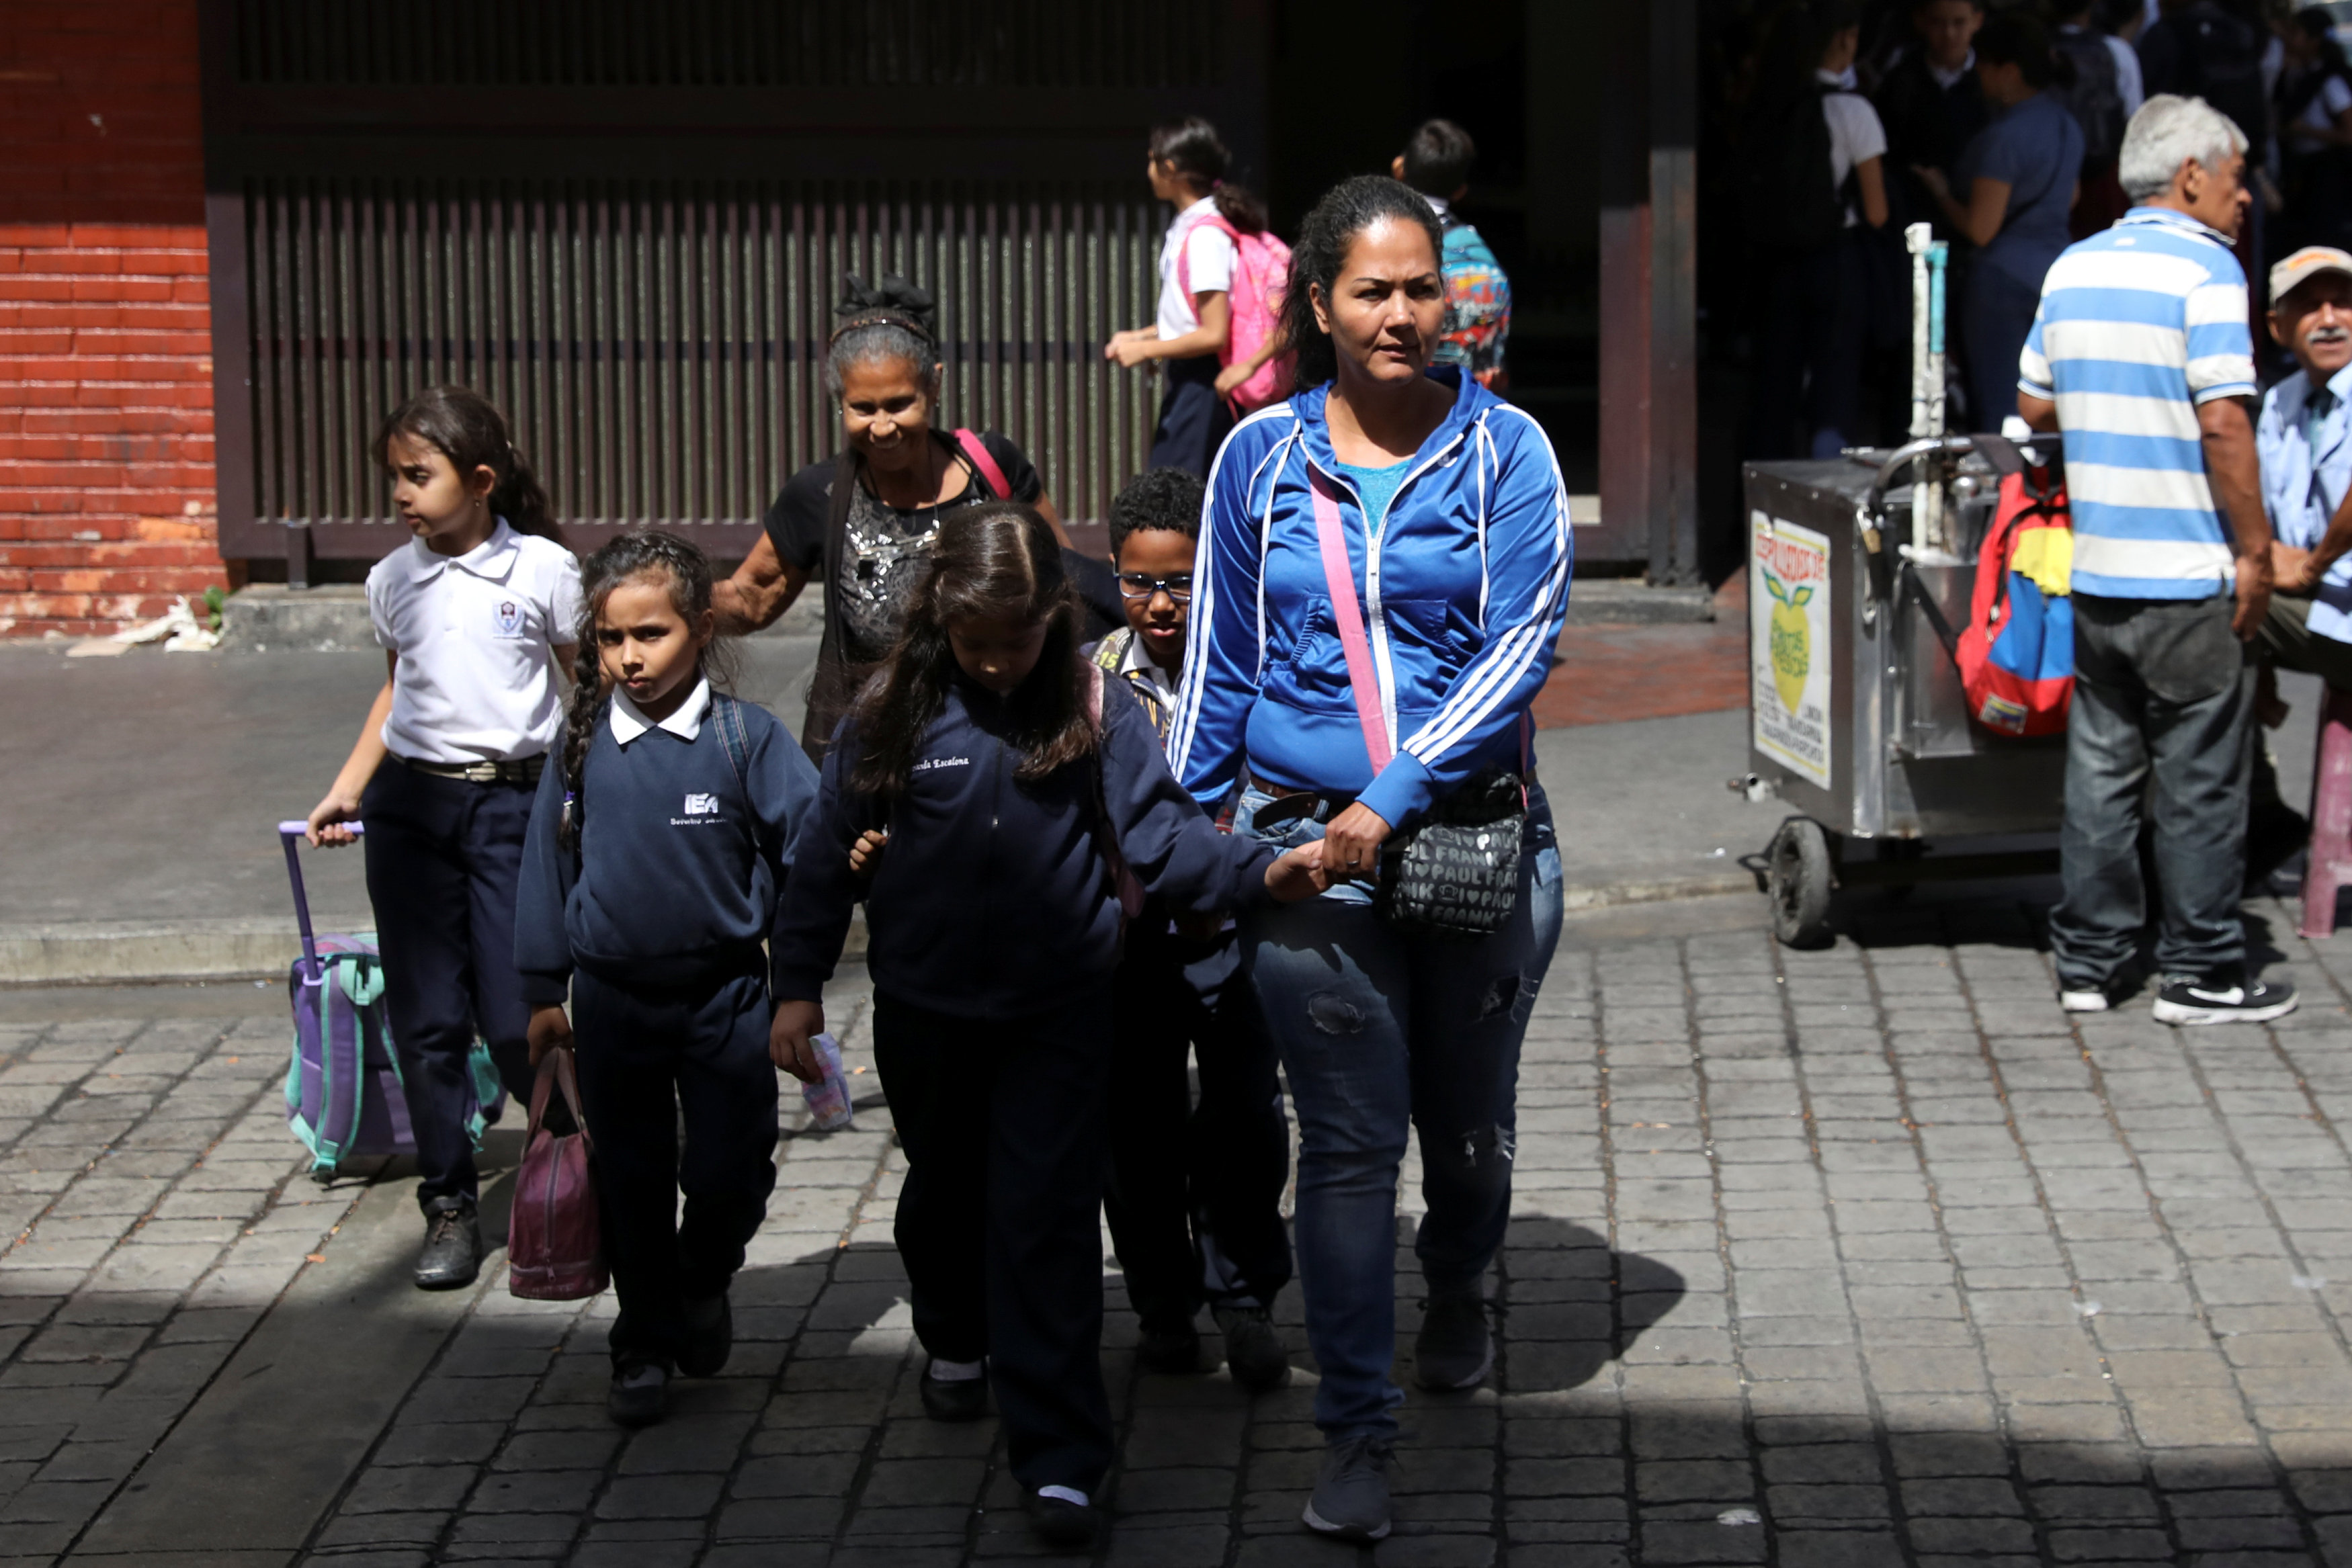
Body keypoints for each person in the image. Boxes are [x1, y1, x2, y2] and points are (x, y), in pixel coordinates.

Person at [766, 506, 1329, 1551]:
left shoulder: (1095, 706)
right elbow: (818, 850)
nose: (993, 664)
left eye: (1014, 643)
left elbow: (1161, 833)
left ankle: (1064, 1459)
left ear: (1053, 623)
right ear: (940, 617)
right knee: (943, 1194)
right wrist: (795, 984)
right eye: (974, 644)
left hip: (1061, 1016)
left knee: (1046, 1224)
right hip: (926, 1013)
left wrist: (1260, 872)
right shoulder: (890, 706)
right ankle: (953, 1336)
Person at [1168, 174, 1572, 1544]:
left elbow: (1522, 648)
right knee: (1345, 1149)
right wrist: (1188, 841)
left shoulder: (1508, 452)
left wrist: (1389, 798)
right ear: (1323, 307)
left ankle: (1456, 1280)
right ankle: (1353, 1434)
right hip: (1302, 856)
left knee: (1464, 1135)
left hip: (1471, 845)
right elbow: (1218, 664)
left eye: (1422, 289)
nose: (1403, 315)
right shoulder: (1255, 460)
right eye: (1372, 292)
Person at [513, 532, 819, 1428]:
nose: (629, 657)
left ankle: (702, 1275)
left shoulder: (745, 739)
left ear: (701, 626)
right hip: (611, 1005)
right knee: (634, 1179)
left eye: (650, 634)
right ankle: (642, 1343)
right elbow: (545, 869)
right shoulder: (579, 751)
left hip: (727, 998)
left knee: (731, 1170)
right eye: (611, 640)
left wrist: (797, 984)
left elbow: (808, 861)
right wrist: (542, 992)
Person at [2019, 94, 2298, 1024]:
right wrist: (2255, 551)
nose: (2245, 196)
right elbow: (2225, 421)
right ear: (2190, 177)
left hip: (2098, 572)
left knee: (2101, 774)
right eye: (2235, 176)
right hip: (2185, 578)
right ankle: (2204, 969)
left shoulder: (2073, 266)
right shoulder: (2210, 273)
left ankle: (2090, 964)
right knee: (2201, 780)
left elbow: (2035, 408)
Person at [303, 386, 581, 1291]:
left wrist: (597, 793)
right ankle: (450, 1203)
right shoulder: (393, 579)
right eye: (394, 478)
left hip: (515, 810)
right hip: (410, 813)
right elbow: (398, 693)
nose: (403, 495)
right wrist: (345, 792)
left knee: (517, 1017)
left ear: (483, 479)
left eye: (419, 476)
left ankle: (569, 1178)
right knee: (425, 1022)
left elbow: (588, 690)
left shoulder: (543, 570)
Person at [1087, 467, 1295, 1394]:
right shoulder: (1093, 680)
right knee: (1135, 1126)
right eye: (1140, 581)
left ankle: (1244, 1294)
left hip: (1235, 934)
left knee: (1247, 1115)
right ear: (1113, 573)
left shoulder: (1254, 667)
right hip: (1131, 950)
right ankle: (1163, 1301)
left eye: (1182, 581)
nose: (1161, 604)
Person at [712, 273, 1066, 763]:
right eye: (862, 408)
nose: (882, 427)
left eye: (900, 404)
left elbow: (1059, 578)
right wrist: (669, 599)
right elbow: (752, 597)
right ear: (840, 402)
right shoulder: (820, 494)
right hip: (875, 750)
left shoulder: (992, 467)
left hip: (1003, 737)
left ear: (934, 384)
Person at [1915, 12, 2085, 426]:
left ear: (2008, 73)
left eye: (1985, 66)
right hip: (2055, 272)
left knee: (2001, 410)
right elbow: (2072, 195)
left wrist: (1939, 192)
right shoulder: (2066, 124)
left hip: (2001, 285)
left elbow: (1981, 228)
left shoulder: (2004, 139)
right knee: (2048, 405)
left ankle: (2005, 491)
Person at [1743, 0, 1895, 458]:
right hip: (1836, 260)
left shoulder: (1768, 107)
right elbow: (1877, 211)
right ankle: (1824, 500)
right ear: (1845, 41)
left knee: (1774, 387)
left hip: (1777, 260)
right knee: (1833, 388)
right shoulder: (1854, 112)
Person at [1102, 116, 1273, 478]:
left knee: (1177, 504)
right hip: (1192, 380)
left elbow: (1213, 333)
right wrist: (1141, 336)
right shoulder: (1193, 225)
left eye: (1152, 160)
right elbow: (1188, 318)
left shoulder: (1205, 235)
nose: (1148, 171)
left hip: (1204, 383)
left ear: (1170, 168)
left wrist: (1146, 350)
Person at [2255, 246, 2352, 693]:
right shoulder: (2281, 401)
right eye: (2311, 306)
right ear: (2278, 326)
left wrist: (2312, 567)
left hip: (2332, 594)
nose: (2329, 319)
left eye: (2343, 302)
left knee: (2217, 609)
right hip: (2324, 603)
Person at [1389, 118, 1512, 390]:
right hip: (1474, 405)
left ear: (1399, 169)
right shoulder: (1483, 256)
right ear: (1460, 191)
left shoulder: (1387, 246)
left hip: (1411, 406)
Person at [1873, 0, 1990, 235]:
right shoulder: (1900, 82)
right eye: (1938, 23)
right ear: (1921, 22)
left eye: (1959, 22)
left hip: (1975, 216)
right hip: (1911, 218)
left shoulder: (1991, 81)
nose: (1949, 34)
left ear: (1977, 21)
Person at [2053, 0, 2140, 233]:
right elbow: (2135, 118)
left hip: (2051, 176)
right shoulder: (2117, 49)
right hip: (2103, 179)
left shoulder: (2041, 49)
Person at [2275, 9, 2352, 253]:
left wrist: (2304, 130)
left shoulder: (2329, 81)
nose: (2290, 38)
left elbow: (2348, 134)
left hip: (2327, 176)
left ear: (2314, 40)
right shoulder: (2297, 74)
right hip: (2302, 174)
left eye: (2296, 32)